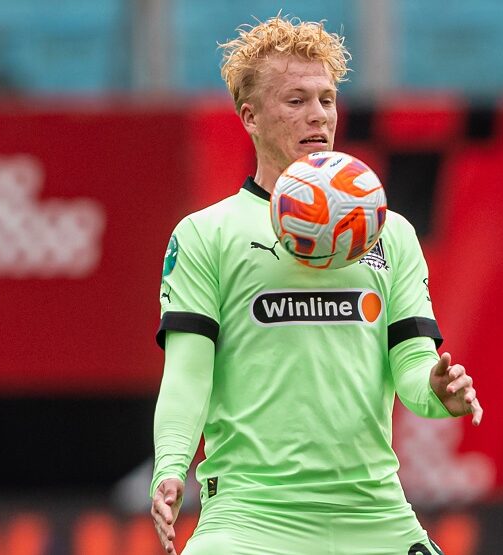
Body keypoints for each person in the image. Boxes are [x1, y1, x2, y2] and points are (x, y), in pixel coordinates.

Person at [148, 15, 483, 555]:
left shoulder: (389, 231)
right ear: (250, 116)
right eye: (296, 100)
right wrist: (170, 466)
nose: (318, 115)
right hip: (249, 517)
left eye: (327, 99)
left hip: (373, 512)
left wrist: (437, 391)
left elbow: (413, 366)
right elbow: (188, 375)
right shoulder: (206, 234)